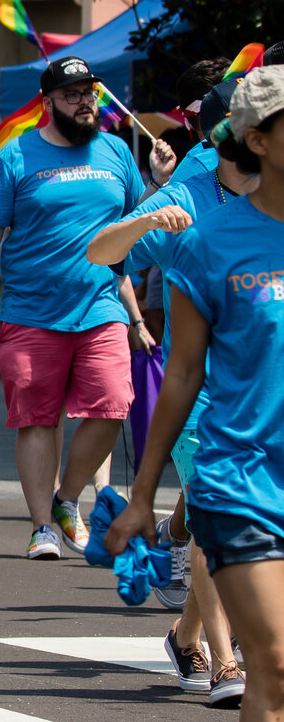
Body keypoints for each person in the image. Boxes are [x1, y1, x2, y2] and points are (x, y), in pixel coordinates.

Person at [107, 67, 284, 716]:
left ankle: (193, 640)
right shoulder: (209, 241)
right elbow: (181, 374)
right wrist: (144, 495)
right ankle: (217, 654)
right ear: (257, 141)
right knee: (278, 665)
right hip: (243, 478)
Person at [0, 56, 154, 561]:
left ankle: (67, 499)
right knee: (38, 419)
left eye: (89, 93)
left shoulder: (116, 152)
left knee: (113, 405)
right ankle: (43, 526)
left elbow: (137, 226)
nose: (85, 102)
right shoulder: (16, 157)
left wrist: (135, 314)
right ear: (48, 103)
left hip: (100, 306)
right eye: (72, 95)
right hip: (30, 311)